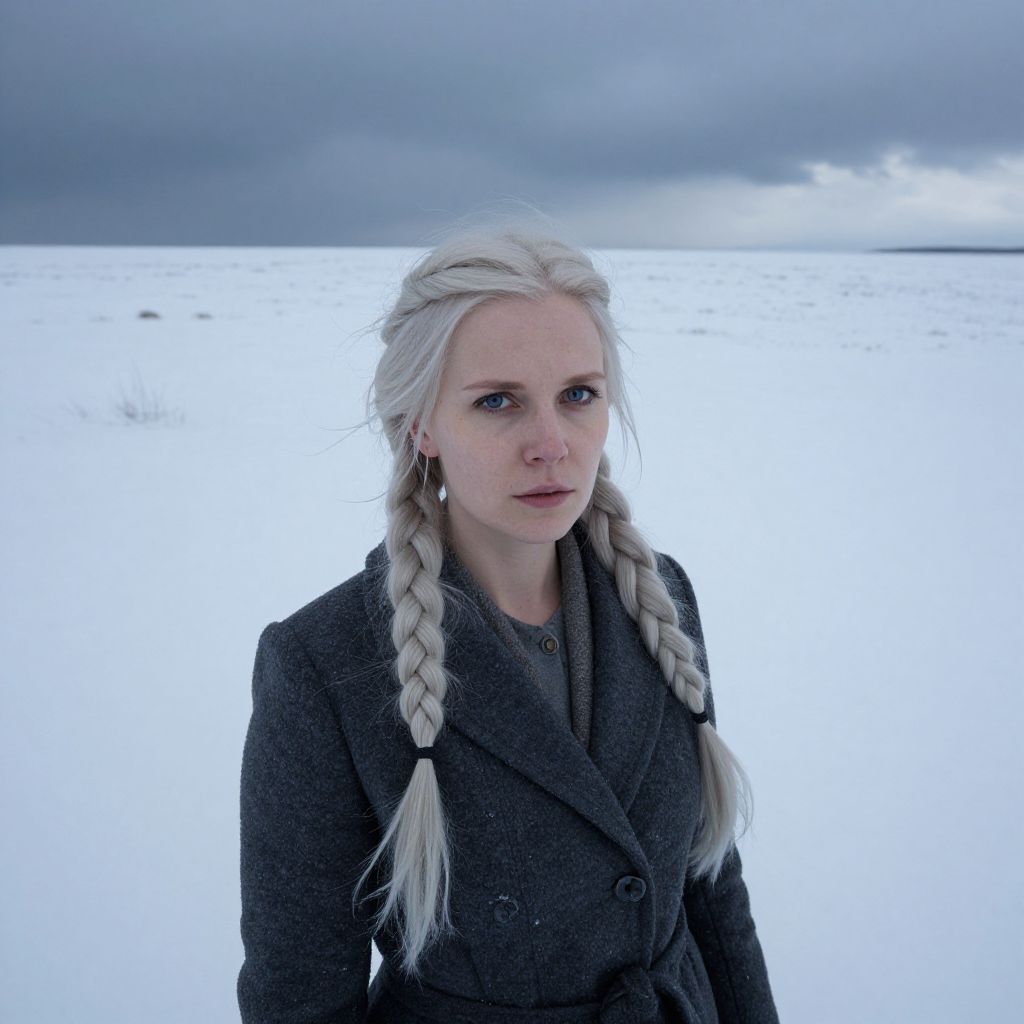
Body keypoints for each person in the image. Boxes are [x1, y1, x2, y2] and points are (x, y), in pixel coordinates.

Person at [237, 229, 778, 1023]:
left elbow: (710, 887)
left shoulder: (659, 599)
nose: (552, 446)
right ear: (421, 424)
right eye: (498, 401)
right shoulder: (327, 666)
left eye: (578, 395)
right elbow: (300, 992)